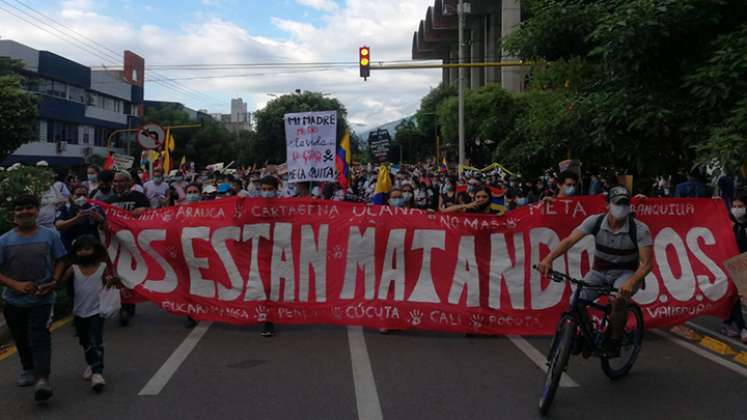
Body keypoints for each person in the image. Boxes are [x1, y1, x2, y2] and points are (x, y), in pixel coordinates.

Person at [538, 186, 653, 355]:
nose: (621, 208)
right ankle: (585, 332)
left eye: (625, 204)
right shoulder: (595, 221)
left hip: (625, 274)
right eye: (617, 203)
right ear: (607, 205)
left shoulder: (640, 229)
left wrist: (631, 282)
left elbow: (647, 263)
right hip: (598, 272)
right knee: (574, 302)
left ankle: (615, 338)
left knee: (618, 300)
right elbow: (570, 240)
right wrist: (548, 259)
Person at [0, 195, 67, 402]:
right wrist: (16, 285)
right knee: (21, 338)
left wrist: (54, 281)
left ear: (37, 211)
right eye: (19, 209)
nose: (24, 212)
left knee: (40, 338)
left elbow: (61, 259)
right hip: (13, 301)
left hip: (42, 299)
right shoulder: (4, 240)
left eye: (29, 208)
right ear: (14, 214)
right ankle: (27, 368)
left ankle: (42, 379)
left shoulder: (50, 236)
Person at [59, 234, 112, 392]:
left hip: (97, 311)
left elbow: (111, 282)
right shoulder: (73, 269)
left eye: (87, 249)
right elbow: (59, 283)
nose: (83, 252)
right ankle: (91, 362)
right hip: (79, 311)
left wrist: (111, 281)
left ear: (95, 250)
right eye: (80, 250)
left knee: (95, 340)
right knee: (85, 342)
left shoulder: (103, 268)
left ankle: (97, 373)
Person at [104, 171, 150, 326]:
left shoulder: (139, 197)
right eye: (115, 181)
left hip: (133, 244)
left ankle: (130, 303)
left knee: (132, 274)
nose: (117, 184)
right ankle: (124, 305)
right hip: (116, 244)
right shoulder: (109, 200)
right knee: (119, 274)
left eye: (121, 181)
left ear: (129, 182)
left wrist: (127, 215)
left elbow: (147, 214)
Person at [724, 196, 747, 342]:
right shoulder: (728, 224)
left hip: (745, 263)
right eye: (734, 206)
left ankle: (727, 322)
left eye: (740, 206)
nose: (737, 209)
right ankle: (742, 327)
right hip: (733, 264)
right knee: (735, 297)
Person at [258, 176, 279, 336]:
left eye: (269, 189)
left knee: (272, 288)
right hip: (259, 252)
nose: (266, 193)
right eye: (263, 189)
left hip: (279, 252)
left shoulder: (285, 207)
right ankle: (266, 318)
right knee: (263, 287)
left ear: (276, 190)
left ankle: (270, 319)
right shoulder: (253, 206)